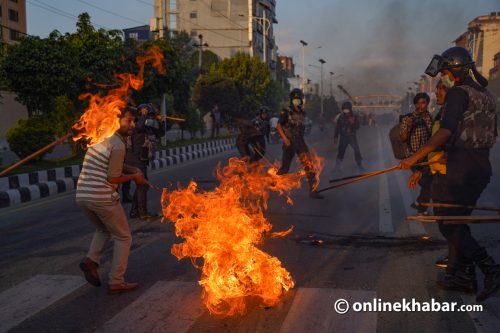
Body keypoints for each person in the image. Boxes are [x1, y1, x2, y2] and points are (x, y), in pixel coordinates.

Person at [401, 46, 500, 301]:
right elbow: (485, 134)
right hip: (480, 169)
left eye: (445, 72)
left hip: (461, 170)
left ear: (455, 70)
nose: (442, 77)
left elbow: (445, 132)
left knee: (448, 223)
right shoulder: (486, 95)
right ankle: (464, 277)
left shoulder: (458, 93)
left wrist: (415, 157)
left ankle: (490, 268)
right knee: (458, 222)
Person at [77, 107, 145, 295]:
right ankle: (116, 281)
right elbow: (112, 178)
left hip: (82, 195)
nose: (133, 125)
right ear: (116, 120)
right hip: (101, 196)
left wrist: (132, 170)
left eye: (134, 121)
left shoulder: (99, 137)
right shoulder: (118, 144)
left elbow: (112, 164)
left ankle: (91, 261)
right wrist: (135, 178)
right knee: (124, 237)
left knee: (103, 229)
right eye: (128, 121)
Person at [277, 88, 324, 199]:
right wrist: (285, 139)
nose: (297, 101)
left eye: (299, 99)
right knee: (285, 168)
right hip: (289, 142)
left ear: (301, 100)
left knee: (309, 166)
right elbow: (279, 126)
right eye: (295, 99)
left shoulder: (303, 112)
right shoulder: (286, 111)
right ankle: (273, 182)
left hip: (300, 142)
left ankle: (313, 190)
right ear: (291, 100)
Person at [125, 104, 161, 221]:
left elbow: (160, 133)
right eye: (148, 115)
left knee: (142, 185)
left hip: (142, 159)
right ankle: (142, 212)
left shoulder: (147, 126)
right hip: (135, 159)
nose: (149, 118)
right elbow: (139, 126)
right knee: (143, 185)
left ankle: (135, 211)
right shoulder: (135, 123)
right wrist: (145, 115)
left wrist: (161, 121)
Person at [400, 93, 433, 215]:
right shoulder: (408, 118)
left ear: (427, 104)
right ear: (414, 104)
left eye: (423, 102)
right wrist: (408, 127)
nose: (420, 105)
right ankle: (421, 208)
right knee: (427, 183)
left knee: (429, 182)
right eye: (418, 103)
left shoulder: (430, 118)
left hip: (427, 157)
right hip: (413, 158)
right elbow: (402, 138)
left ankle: (420, 205)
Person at [334, 101, 364, 172]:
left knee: (356, 150)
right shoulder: (341, 117)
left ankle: (360, 166)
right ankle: (337, 167)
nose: (345, 111)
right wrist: (335, 137)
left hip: (351, 136)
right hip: (343, 137)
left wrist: (353, 123)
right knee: (341, 151)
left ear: (350, 109)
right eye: (344, 109)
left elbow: (358, 126)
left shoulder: (354, 116)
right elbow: (337, 127)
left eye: (347, 109)